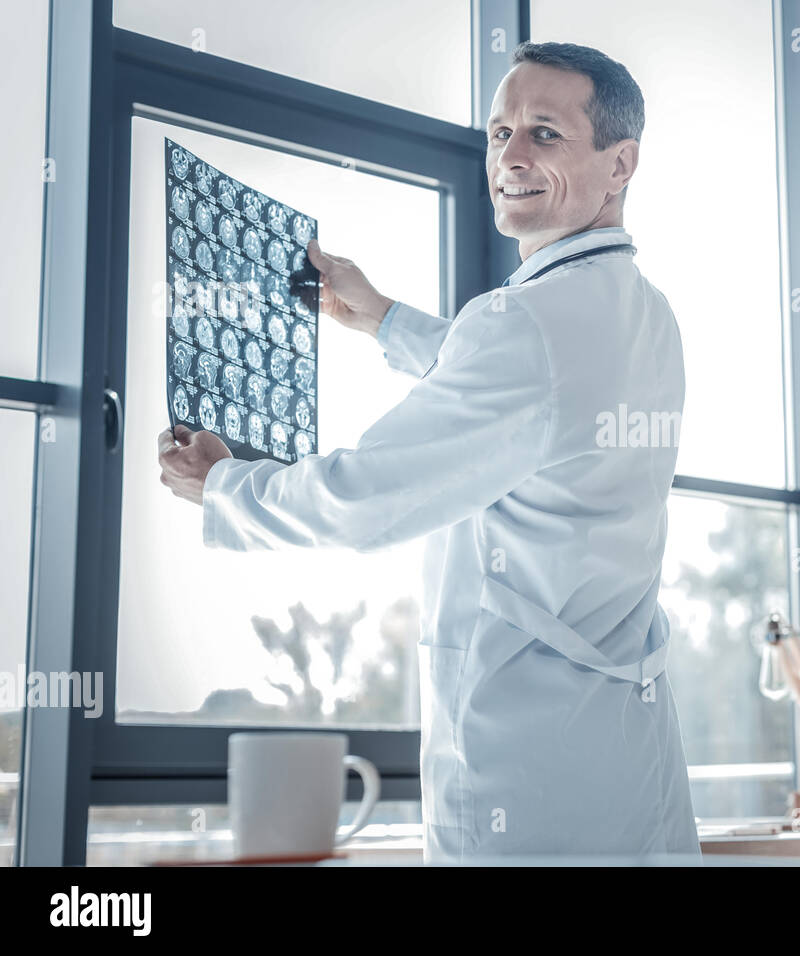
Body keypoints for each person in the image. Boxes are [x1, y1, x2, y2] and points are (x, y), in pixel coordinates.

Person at [157, 41, 698, 862]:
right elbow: (531, 402)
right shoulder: (644, 314)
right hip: (624, 769)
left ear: (619, 163)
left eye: (544, 134)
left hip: (528, 782)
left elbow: (368, 498)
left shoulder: (527, 325)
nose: (509, 156)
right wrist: (381, 319)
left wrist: (227, 485)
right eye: (498, 131)